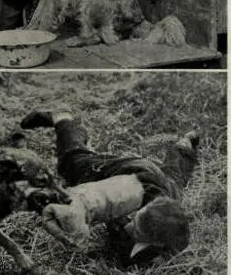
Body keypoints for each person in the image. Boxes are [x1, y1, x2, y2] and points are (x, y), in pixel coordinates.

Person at [20, 108, 198, 264]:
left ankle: (186, 143)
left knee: (175, 178)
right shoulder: (131, 190)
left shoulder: (172, 224)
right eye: (134, 221)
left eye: (136, 228)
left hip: (160, 182)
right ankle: (62, 116)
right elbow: (95, 197)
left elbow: (176, 176)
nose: (129, 226)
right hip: (129, 172)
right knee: (73, 163)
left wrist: (186, 146)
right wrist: (75, 207)